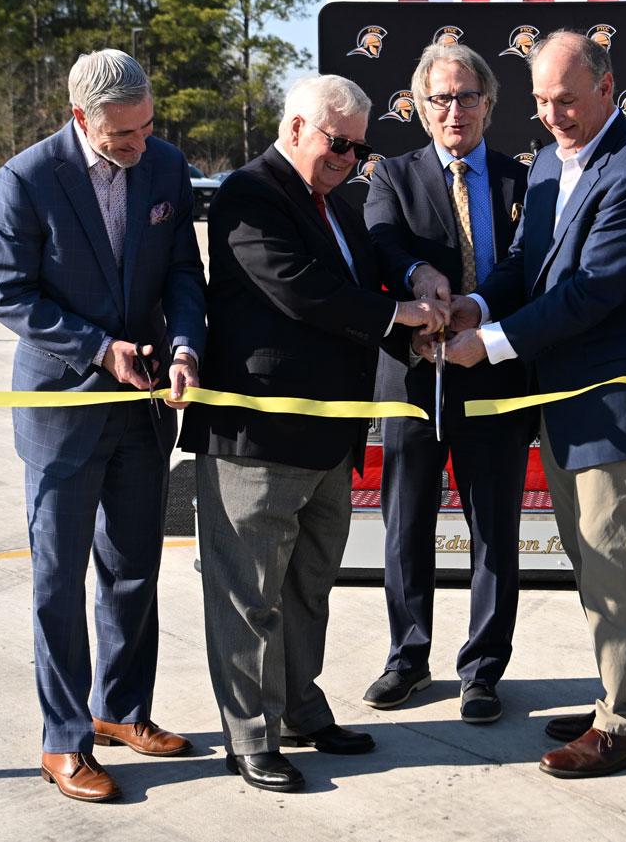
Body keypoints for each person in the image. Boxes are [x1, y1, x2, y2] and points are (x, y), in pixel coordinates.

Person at [179, 74, 448, 793]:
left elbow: (364, 292)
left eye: (360, 148)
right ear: (296, 126)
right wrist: (400, 322)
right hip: (257, 438)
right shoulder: (248, 193)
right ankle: (248, 736)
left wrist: (411, 331)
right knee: (249, 595)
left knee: (307, 587)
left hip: (327, 438)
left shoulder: (337, 205)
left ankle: (300, 706)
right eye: (338, 142)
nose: (349, 158)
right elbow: (298, 288)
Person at [444, 29, 626, 779]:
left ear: (608, 88)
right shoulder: (550, 160)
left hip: (616, 408)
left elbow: (592, 291)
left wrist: (491, 341)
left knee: (609, 562)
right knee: (598, 563)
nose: (553, 115)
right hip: (565, 404)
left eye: (568, 100)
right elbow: (528, 264)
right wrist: (473, 303)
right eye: (543, 102)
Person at [0, 49, 205, 803]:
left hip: (142, 406)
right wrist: (95, 348)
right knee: (57, 582)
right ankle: (64, 739)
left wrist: (183, 345)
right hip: (64, 410)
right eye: (122, 134)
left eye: (147, 127)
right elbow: (6, 293)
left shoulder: (165, 166)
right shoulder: (27, 179)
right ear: (81, 118)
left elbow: (183, 272)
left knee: (133, 569)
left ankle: (122, 709)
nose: (139, 143)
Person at [361, 43, 531, 724]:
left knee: (495, 527)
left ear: (488, 103)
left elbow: (524, 264)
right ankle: (407, 656)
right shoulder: (391, 175)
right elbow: (380, 239)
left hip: (492, 371)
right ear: (419, 107)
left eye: (465, 97)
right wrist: (417, 280)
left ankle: (483, 668)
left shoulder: (525, 181)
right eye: (439, 98)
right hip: (412, 376)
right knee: (405, 522)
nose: (452, 110)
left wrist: (476, 308)